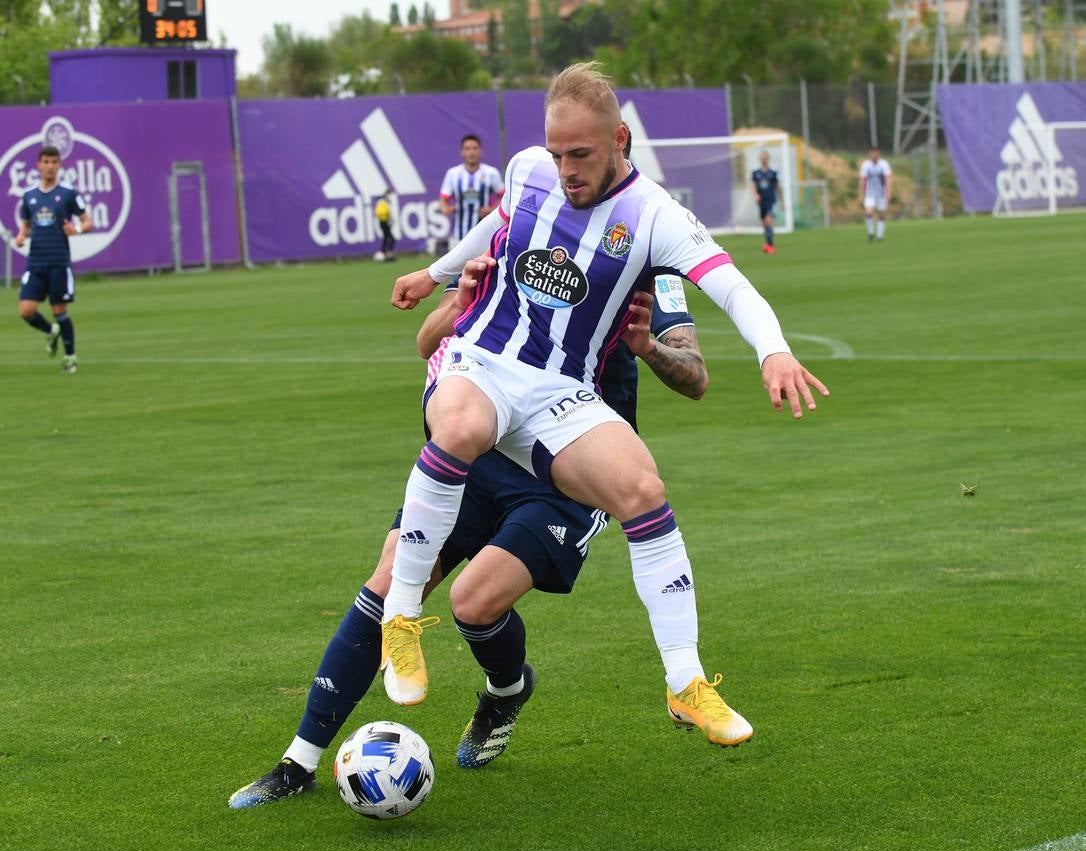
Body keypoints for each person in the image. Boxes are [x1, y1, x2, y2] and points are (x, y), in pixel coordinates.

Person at [383, 62, 828, 750]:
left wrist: (773, 350)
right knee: (463, 427)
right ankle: (402, 616)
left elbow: (732, 287)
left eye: (581, 155)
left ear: (619, 138)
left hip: (562, 390)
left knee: (642, 488)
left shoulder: (655, 216)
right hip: (486, 362)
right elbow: (497, 223)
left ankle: (685, 683)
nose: (565, 170)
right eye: (557, 153)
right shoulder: (530, 168)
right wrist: (434, 273)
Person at [228, 270, 709, 807]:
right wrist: (463, 305)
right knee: (387, 585)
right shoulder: (513, 236)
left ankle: (506, 691)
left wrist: (646, 348)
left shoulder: (643, 258)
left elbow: (695, 377)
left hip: (568, 475)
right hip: (480, 457)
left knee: (474, 602)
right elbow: (425, 340)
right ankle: (299, 762)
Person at [13, 145, 92, 374]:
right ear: (38, 165)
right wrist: (20, 237)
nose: (50, 166)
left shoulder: (68, 193)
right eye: (46, 162)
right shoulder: (29, 195)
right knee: (26, 311)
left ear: (60, 165)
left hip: (58, 261)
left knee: (60, 310)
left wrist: (75, 229)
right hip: (35, 262)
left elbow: (88, 222)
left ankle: (70, 357)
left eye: (54, 162)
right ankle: (51, 331)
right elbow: (26, 227)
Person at [439, 134, 504, 247]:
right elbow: (443, 199)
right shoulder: (453, 174)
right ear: (462, 152)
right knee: (458, 265)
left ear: (481, 151)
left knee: (484, 264)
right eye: (467, 149)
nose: (471, 152)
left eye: (475, 148)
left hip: (484, 236)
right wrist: (445, 209)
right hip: (459, 236)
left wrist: (492, 209)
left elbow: (504, 197)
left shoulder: (491, 173)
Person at [859, 146, 893, 242]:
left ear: (878, 154)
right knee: (868, 212)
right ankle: (870, 233)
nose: (874, 155)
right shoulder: (866, 165)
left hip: (881, 194)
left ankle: (880, 235)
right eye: (872, 153)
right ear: (870, 154)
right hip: (869, 193)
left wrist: (888, 193)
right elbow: (862, 180)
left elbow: (888, 179)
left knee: (881, 214)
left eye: (876, 153)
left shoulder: (884, 164)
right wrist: (861, 194)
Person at [751, 150, 779, 254]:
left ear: (768, 158)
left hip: (771, 200)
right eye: (762, 157)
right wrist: (755, 195)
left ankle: (771, 246)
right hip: (761, 202)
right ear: (759, 158)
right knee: (764, 223)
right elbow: (752, 185)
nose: (763, 159)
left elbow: (777, 187)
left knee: (768, 220)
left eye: (765, 157)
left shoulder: (772, 173)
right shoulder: (756, 173)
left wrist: (782, 201)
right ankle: (768, 242)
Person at [374, 189, 396, 262]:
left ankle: (385, 253)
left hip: (385, 222)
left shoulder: (385, 201)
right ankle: (388, 254)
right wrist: (387, 215)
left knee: (386, 238)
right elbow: (378, 212)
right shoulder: (382, 201)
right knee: (391, 238)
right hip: (383, 222)